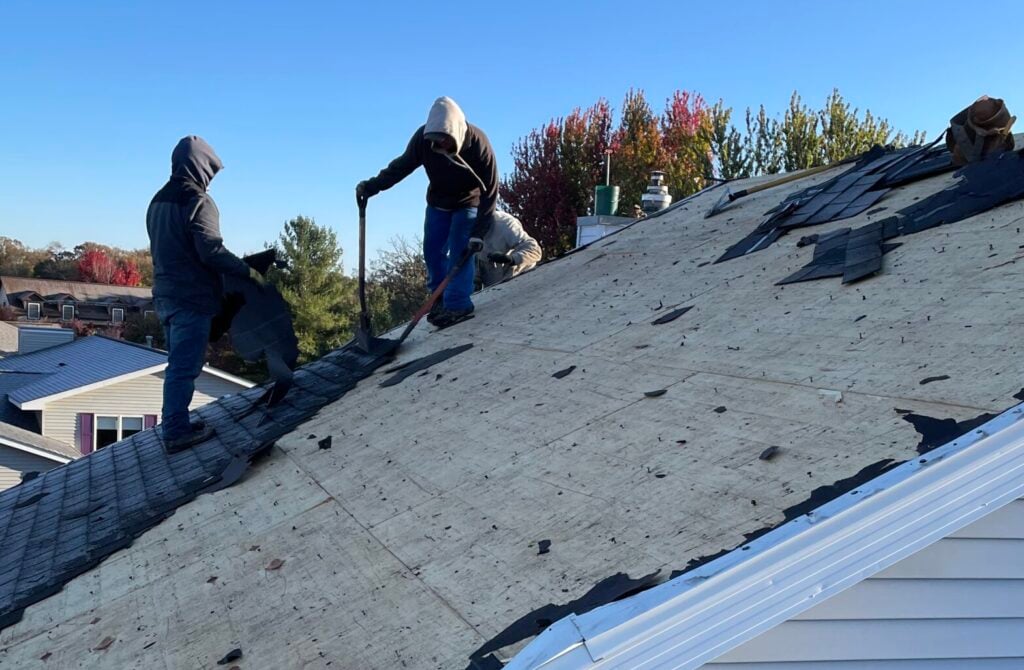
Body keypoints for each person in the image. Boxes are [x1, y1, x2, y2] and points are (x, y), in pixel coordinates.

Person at [147, 136, 263, 453]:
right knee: (184, 368)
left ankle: (177, 424)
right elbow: (210, 251)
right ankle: (175, 431)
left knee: (177, 364)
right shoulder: (198, 201)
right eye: (209, 172)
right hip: (190, 298)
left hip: (165, 296)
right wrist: (247, 271)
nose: (210, 179)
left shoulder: (157, 201)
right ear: (199, 167)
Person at [357, 97, 498, 327]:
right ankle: (439, 300)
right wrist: (372, 187)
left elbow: (491, 191)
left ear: (456, 133)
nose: (439, 145)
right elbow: (401, 166)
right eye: (435, 141)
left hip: (468, 203)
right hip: (438, 203)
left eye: (444, 140)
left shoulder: (478, 144)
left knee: (461, 253)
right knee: (432, 252)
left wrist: (478, 234)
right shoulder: (422, 140)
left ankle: (457, 305)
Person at [475, 211, 542, 289]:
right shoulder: (464, 229)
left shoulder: (504, 223)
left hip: (521, 280)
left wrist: (511, 259)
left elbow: (535, 250)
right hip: (493, 288)